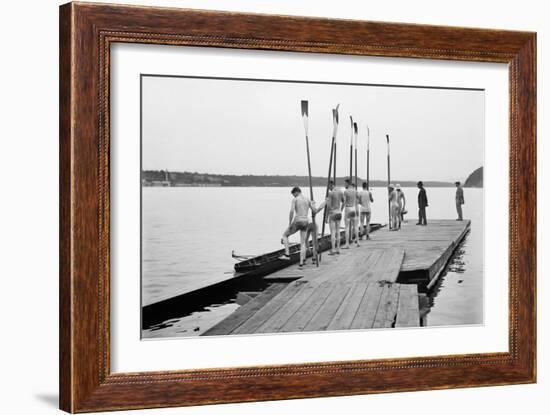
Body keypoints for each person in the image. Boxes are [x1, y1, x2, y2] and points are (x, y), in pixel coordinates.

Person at [280, 186, 316, 268]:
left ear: (296, 192)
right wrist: (313, 204)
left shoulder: (295, 199)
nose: (293, 196)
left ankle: (287, 254)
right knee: (303, 243)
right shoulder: (307, 199)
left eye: (293, 194)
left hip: (298, 221)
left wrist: (289, 224)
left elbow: (292, 211)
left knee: (285, 235)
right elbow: (314, 211)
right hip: (305, 221)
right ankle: (301, 262)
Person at [314, 180, 345, 254]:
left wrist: (326, 217)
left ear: (331, 185)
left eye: (328, 186)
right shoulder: (340, 191)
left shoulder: (331, 193)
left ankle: (333, 249)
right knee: (338, 232)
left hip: (333, 214)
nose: (328, 188)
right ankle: (338, 249)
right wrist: (341, 209)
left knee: (333, 233)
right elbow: (344, 201)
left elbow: (328, 206)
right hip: (339, 213)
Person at [343, 179, 359, 248]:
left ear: (348, 183)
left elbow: (344, 202)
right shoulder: (355, 191)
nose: (344, 185)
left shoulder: (346, 191)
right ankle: (358, 242)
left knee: (347, 227)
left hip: (348, 208)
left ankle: (347, 244)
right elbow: (357, 200)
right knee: (355, 226)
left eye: (345, 184)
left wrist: (340, 210)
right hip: (353, 208)